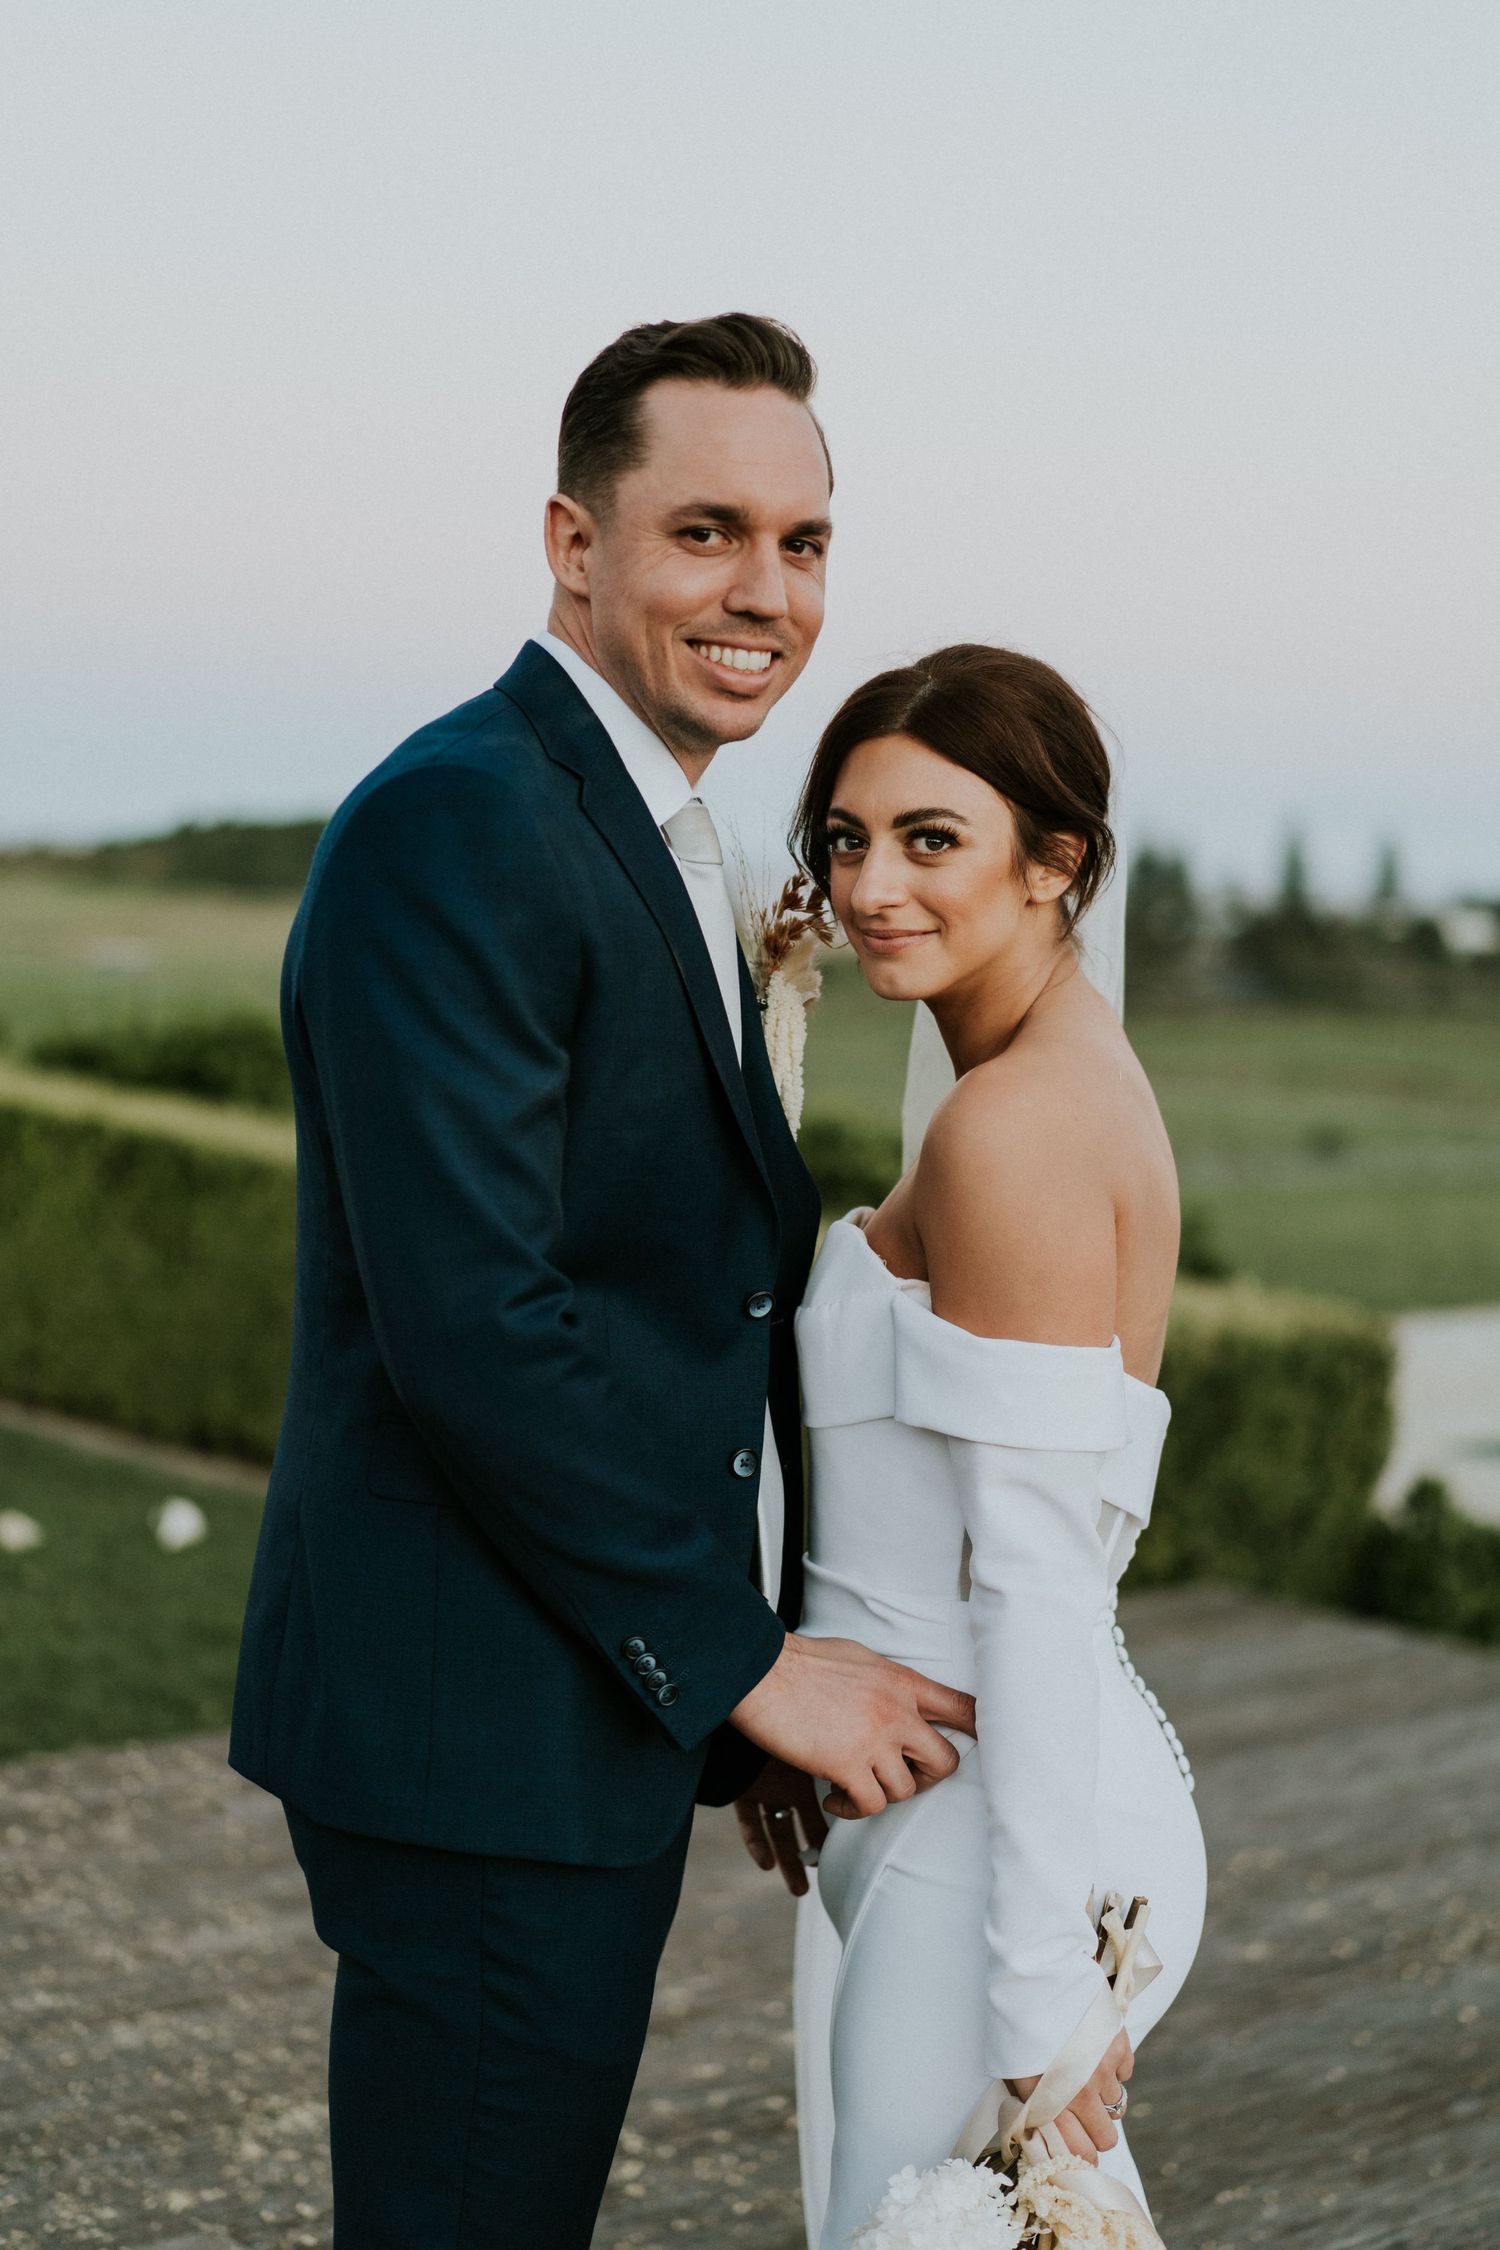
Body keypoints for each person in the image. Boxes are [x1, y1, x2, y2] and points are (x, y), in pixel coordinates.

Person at [228, 315, 976, 2249]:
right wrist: (747, 1663)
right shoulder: (466, 821)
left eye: (804, 543)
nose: (766, 593)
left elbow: (675, 1291)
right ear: (574, 542)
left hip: (567, 1710)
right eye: (707, 531)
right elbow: (481, 1324)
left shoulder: (643, 823)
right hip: (477, 1726)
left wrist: (725, 1685)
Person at [770, 644, 1208, 2244]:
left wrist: (1035, 1993)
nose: (872, 885)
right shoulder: (1034, 1082)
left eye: (931, 838)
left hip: (991, 1836)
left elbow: (1033, 1575)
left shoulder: (1011, 1129)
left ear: (1056, 859)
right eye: (847, 838)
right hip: (954, 1799)